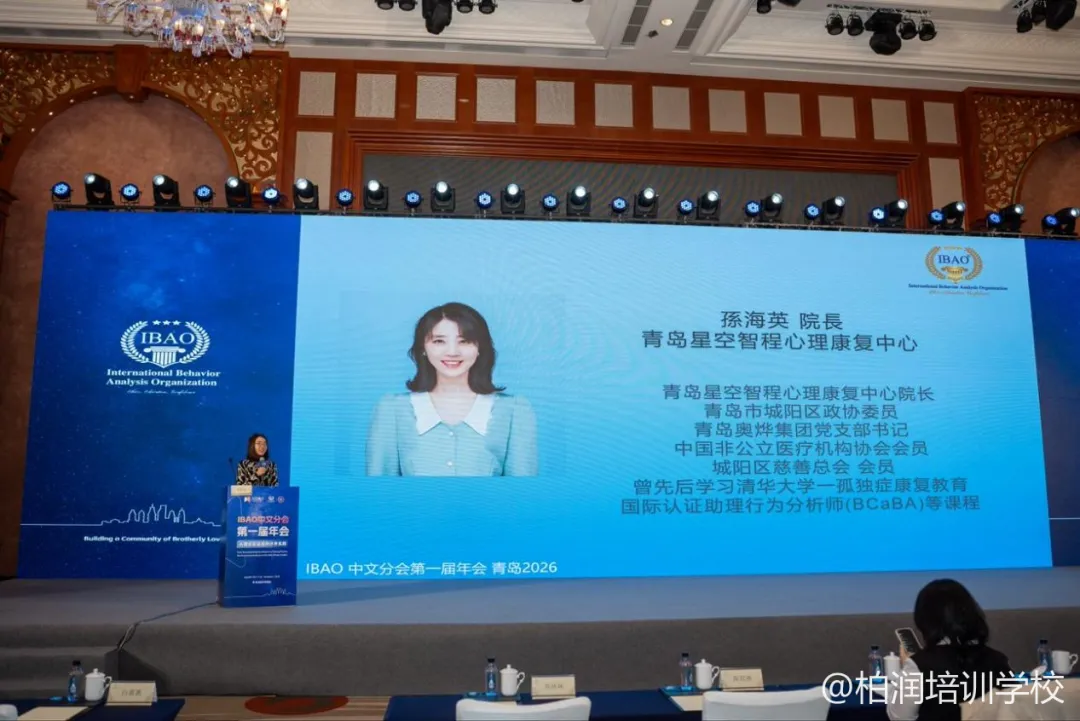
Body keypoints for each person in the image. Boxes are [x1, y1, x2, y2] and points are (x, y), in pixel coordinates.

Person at [366, 302, 537, 477]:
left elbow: (522, 491)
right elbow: (379, 489)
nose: (453, 352)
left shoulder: (514, 410)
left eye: (464, 341)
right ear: (423, 348)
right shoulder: (392, 409)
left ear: (479, 348)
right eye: (439, 341)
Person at [887, 579, 1013, 721]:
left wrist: (905, 670)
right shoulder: (998, 660)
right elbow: (1017, 708)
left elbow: (899, 717)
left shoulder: (918, 666)